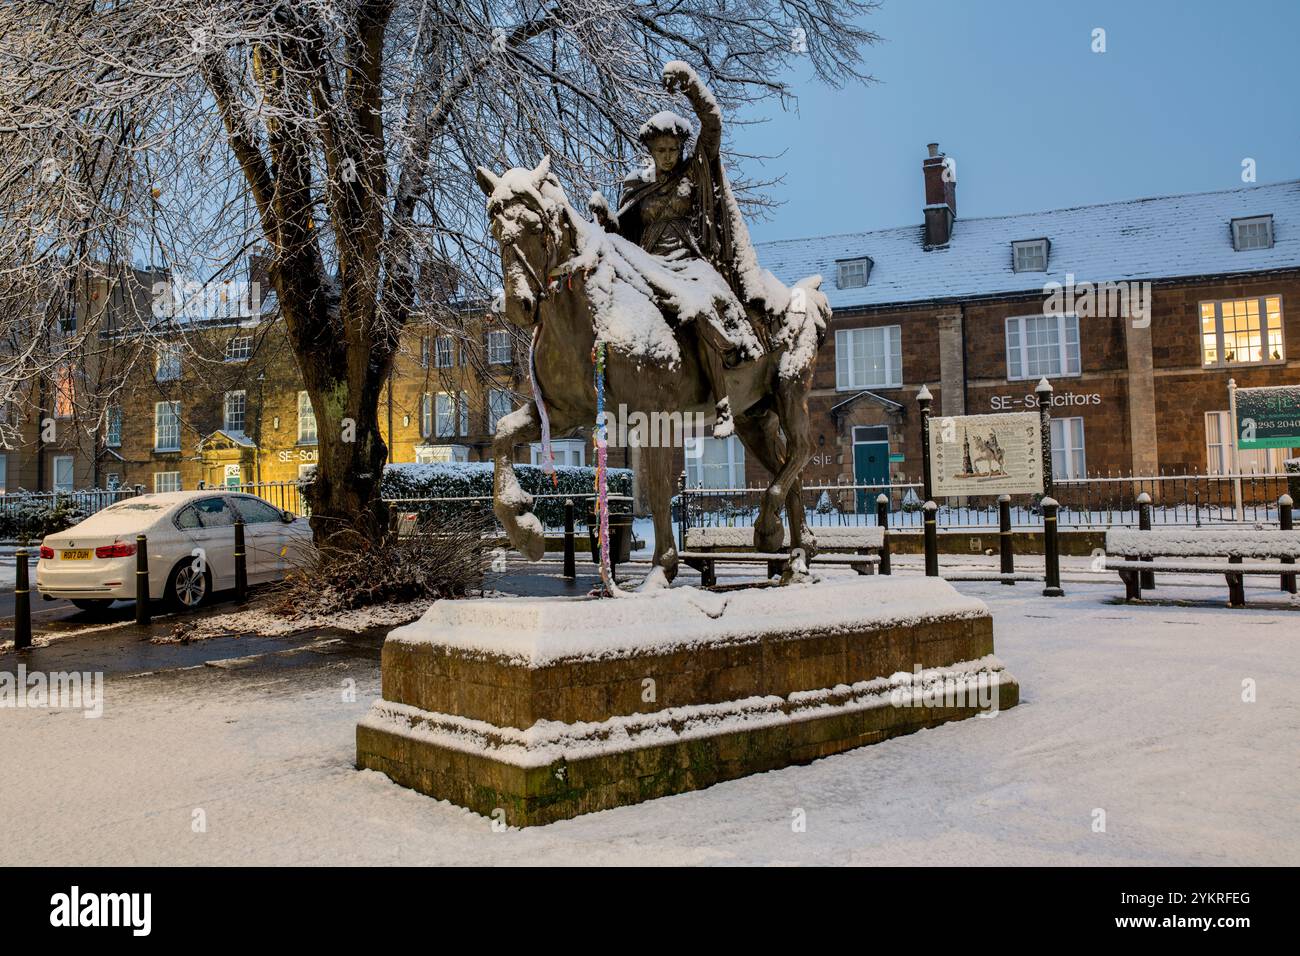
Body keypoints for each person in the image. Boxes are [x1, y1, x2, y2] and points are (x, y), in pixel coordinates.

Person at [593, 61, 770, 437]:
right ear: (651, 151)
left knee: (698, 309)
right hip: (649, 265)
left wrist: (691, 85)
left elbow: (713, 125)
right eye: (661, 150)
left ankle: (723, 401)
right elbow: (623, 234)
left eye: (673, 148)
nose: (669, 156)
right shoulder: (636, 188)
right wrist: (605, 218)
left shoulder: (695, 172)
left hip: (690, 264)